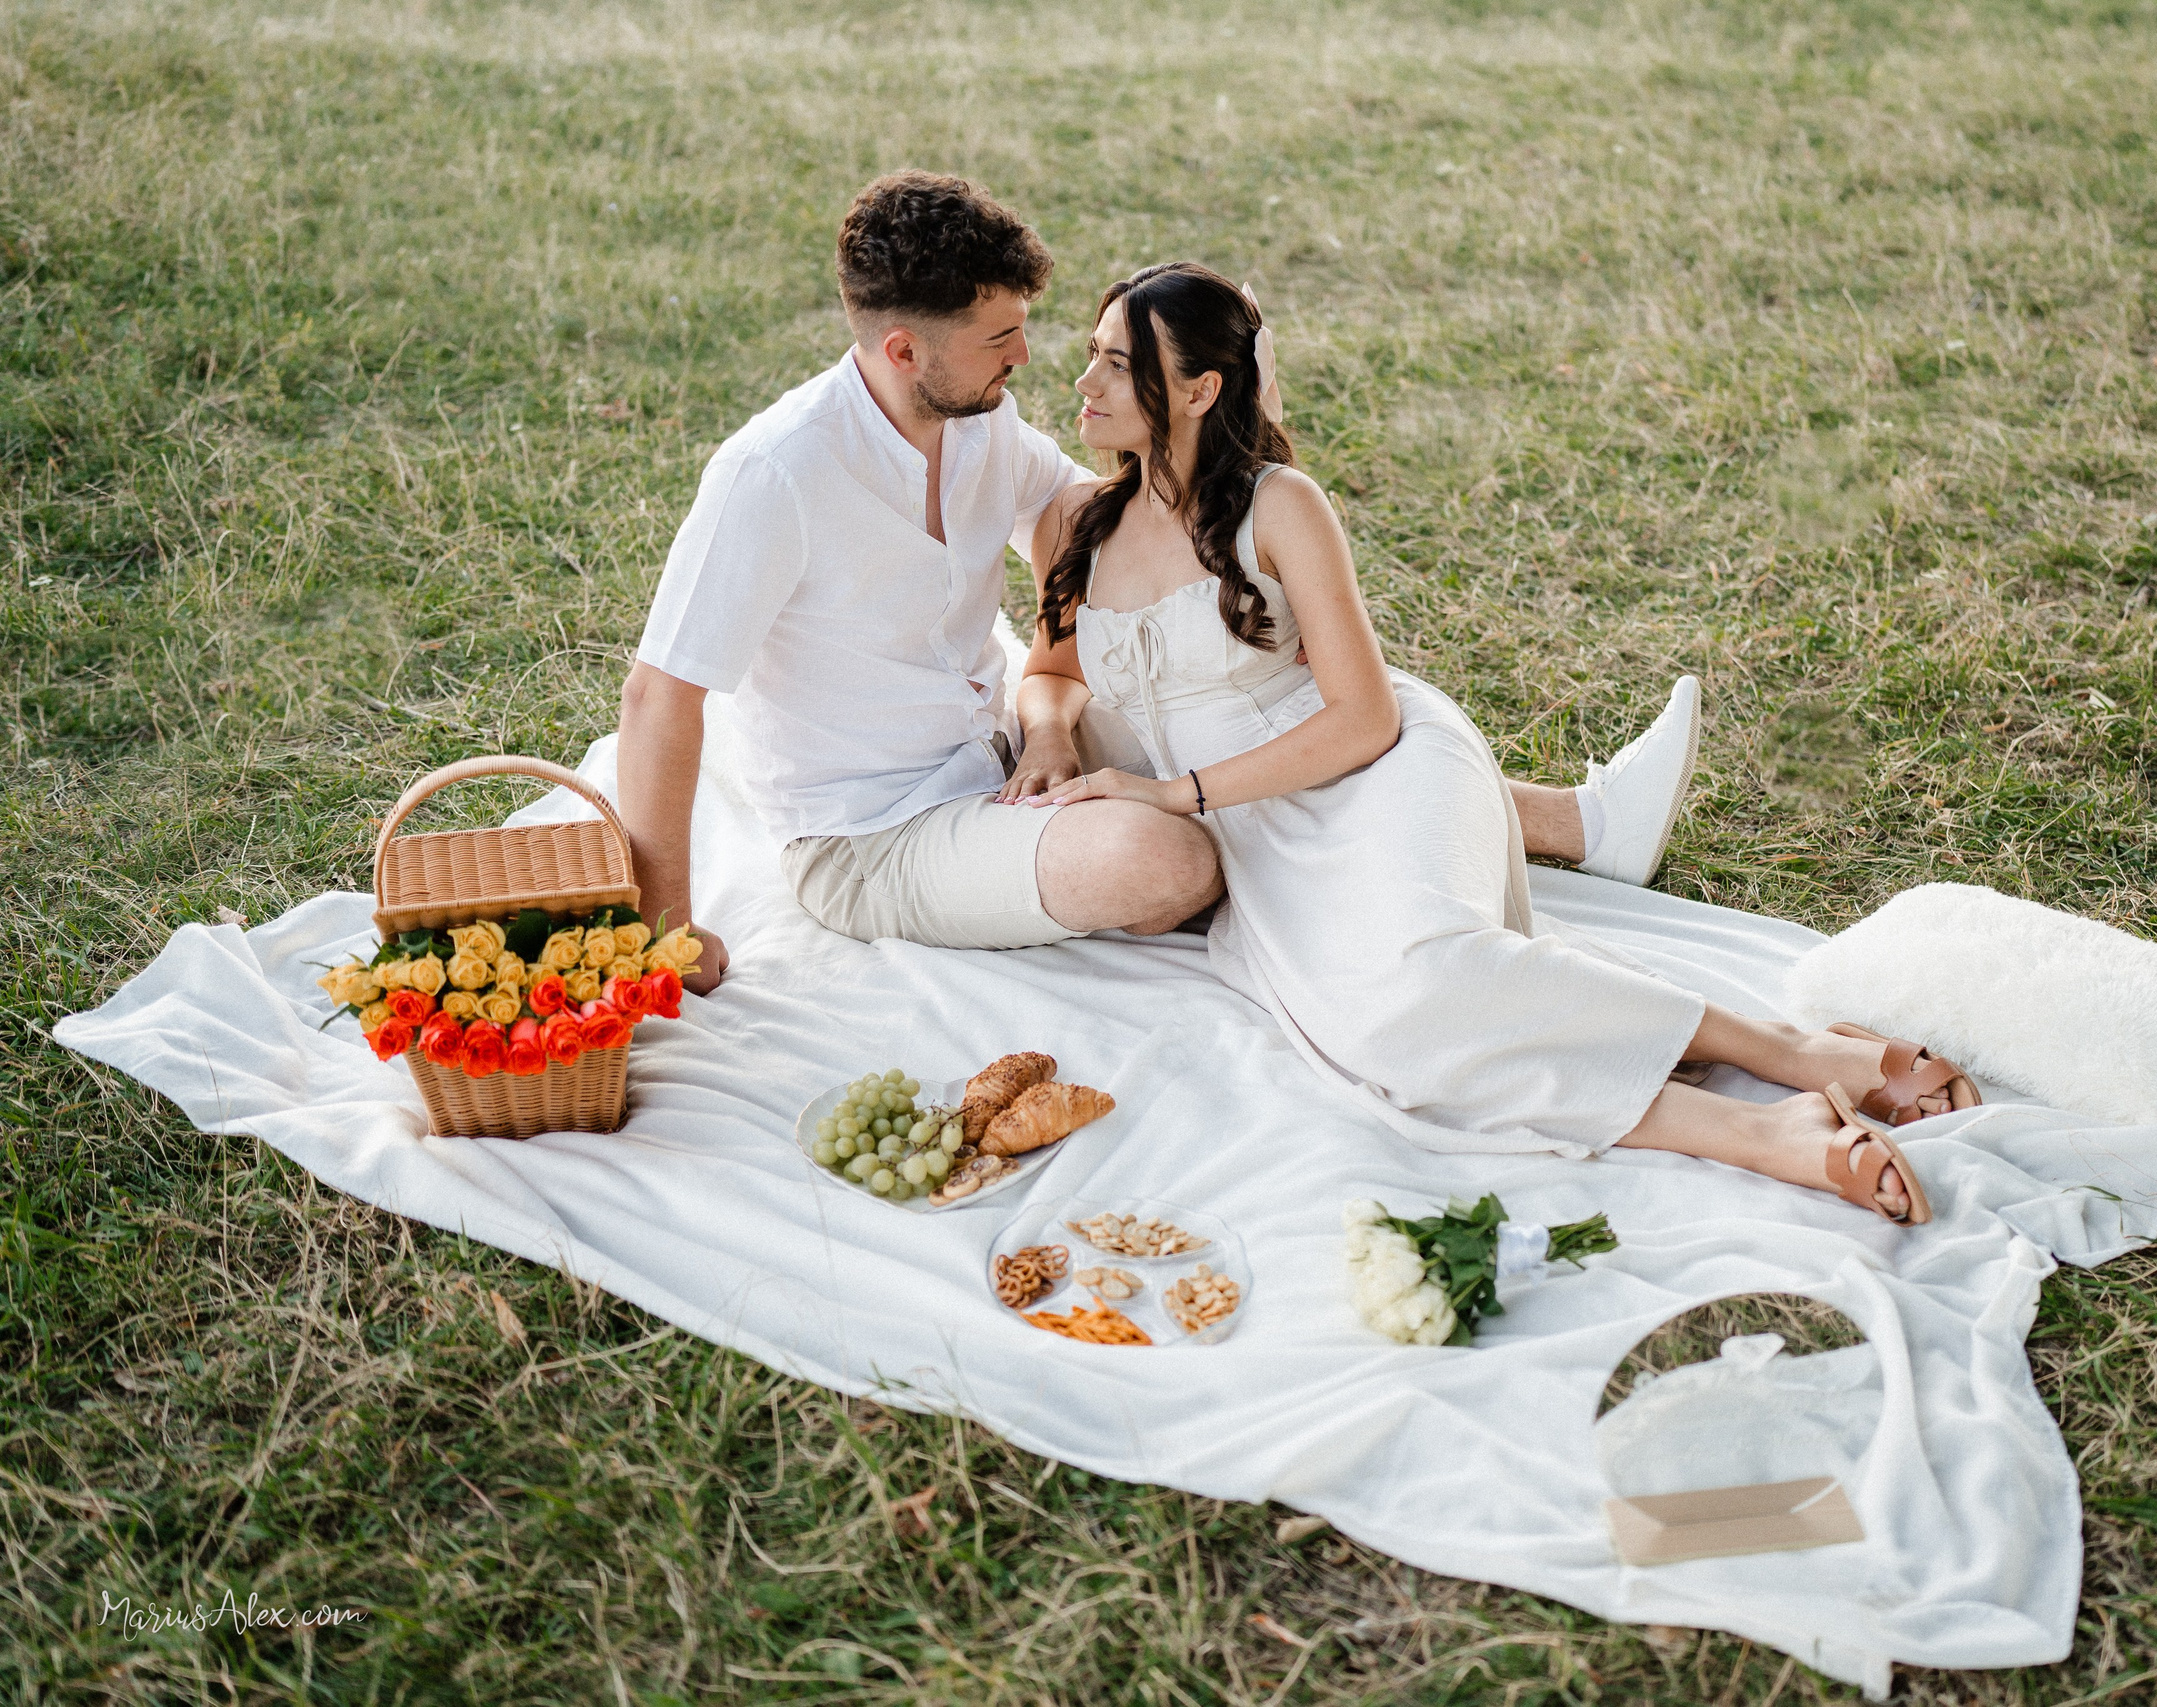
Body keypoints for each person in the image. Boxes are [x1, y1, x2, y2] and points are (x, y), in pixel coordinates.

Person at [1010, 263, 1981, 1224]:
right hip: (1257, 835)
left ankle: (1788, 1053)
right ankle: (1761, 1134)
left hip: (1375, 772)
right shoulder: (1080, 523)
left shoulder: (1280, 505)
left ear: (1198, 389)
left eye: (1115, 365)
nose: (1084, 386)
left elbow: (1365, 717)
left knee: (1435, 969)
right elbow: (1053, 673)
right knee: (1385, 1029)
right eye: (1090, 358)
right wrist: (1048, 738)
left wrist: (1176, 795)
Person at [618, 172, 1701, 996]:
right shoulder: (774, 475)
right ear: (904, 350)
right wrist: (667, 929)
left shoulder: (977, 415)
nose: (1027, 361)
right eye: (1002, 338)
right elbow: (660, 697)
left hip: (1005, 753)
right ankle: (1422, 851)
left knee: (1209, 685)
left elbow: (1087, 525)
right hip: (875, 834)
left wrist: (1054, 706)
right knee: (1160, 858)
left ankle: (1576, 823)